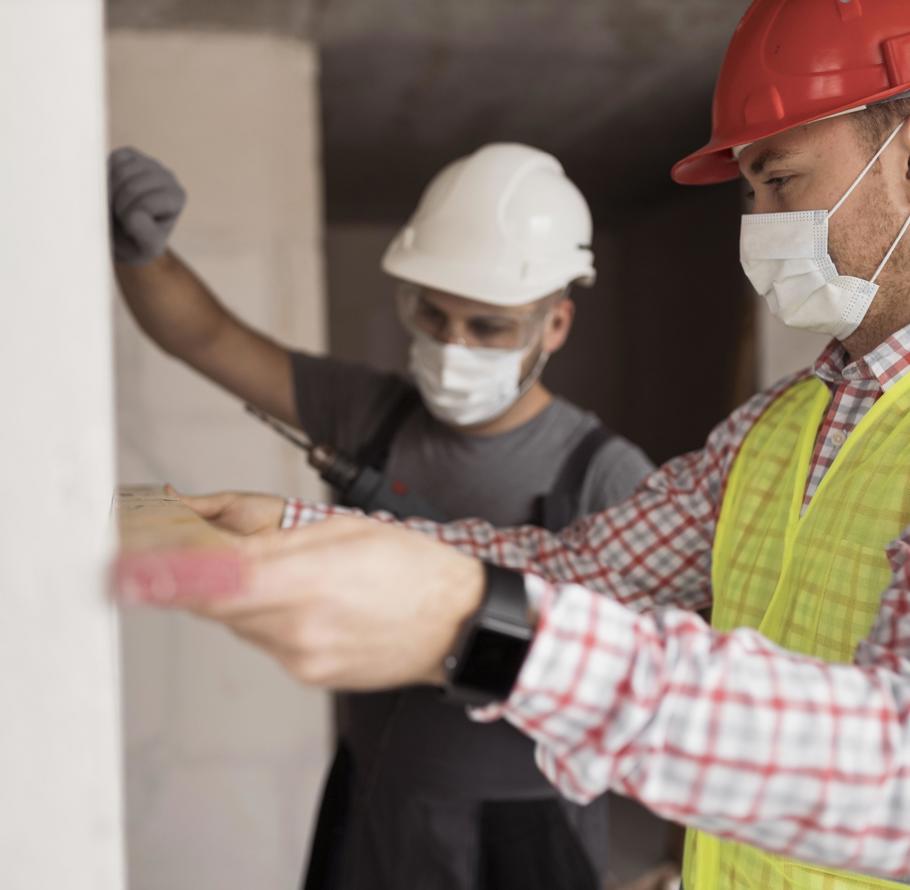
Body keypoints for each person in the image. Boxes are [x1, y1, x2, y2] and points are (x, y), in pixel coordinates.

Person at [115, 0, 910, 886]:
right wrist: (294, 529)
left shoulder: (599, 459)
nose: (759, 226)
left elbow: (896, 773)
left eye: (784, 180)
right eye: (749, 191)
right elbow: (583, 570)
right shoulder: (780, 425)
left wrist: (475, 629)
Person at [108, 142, 655, 889]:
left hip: (530, 819)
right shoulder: (373, 414)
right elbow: (203, 335)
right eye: (432, 314)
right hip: (374, 797)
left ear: (554, 325)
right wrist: (145, 253)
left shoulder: (606, 476)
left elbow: (669, 677)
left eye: (488, 326)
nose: (452, 346)